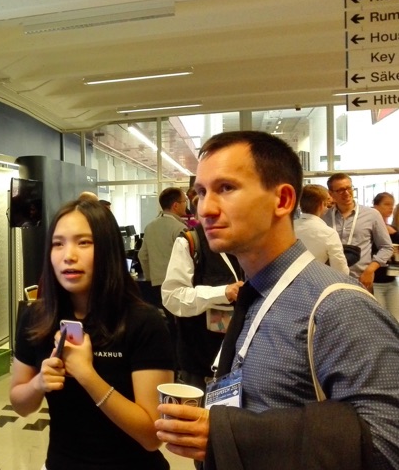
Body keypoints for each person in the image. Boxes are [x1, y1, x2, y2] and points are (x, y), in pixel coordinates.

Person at [154, 131, 399, 469]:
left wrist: (234, 434)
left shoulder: (339, 307)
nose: (205, 208)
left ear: (282, 200)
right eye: (201, 192)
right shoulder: (258, 295)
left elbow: (388, 444)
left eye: (226, 188)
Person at [10, 195, 175, 470]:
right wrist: (39, 383)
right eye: (58, 244)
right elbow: (20, 404)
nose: (68, 256)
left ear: (108, 248)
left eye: (83, 242)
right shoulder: (36, 318)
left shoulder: (144, 322)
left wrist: (86, 375)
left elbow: (151, 437)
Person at [161, 223, 244, 391]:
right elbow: (172, 297)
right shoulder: (191, 241)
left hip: (242, 359)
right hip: (201, 362)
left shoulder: (249, 240)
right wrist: (223, 292)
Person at [322, 172, 393, 291]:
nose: (346, 193)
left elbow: (386, 247)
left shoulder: (372, 215)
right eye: (340, 190)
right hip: (331, 280)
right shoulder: (324, 216)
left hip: (361, 280)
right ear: (331, 194)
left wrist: (370, 270)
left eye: (349, 188)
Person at [138, 187, 189, 346]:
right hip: (178, 287)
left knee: (169, 325)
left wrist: (151, 277)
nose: (186, 205)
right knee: (181, 328)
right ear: (175, 205)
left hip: (157, 286)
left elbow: (142, 255)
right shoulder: (180, 228)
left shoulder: (150, 227)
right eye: (184, 201)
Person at [293, 184, 349, 274]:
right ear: (322, 204)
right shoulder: (329, 233)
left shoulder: (288, 229)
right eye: (327, 204)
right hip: (316, 279)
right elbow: (341, 270)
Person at [373, 192, 399, 319]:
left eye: (392, 205)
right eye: (387, 204)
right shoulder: (370, 229)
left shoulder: (393, 229)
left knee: (396, 318)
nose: (390, 208)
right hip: (375, 281)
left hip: (391, 280)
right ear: (376, 206)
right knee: (381, 319)